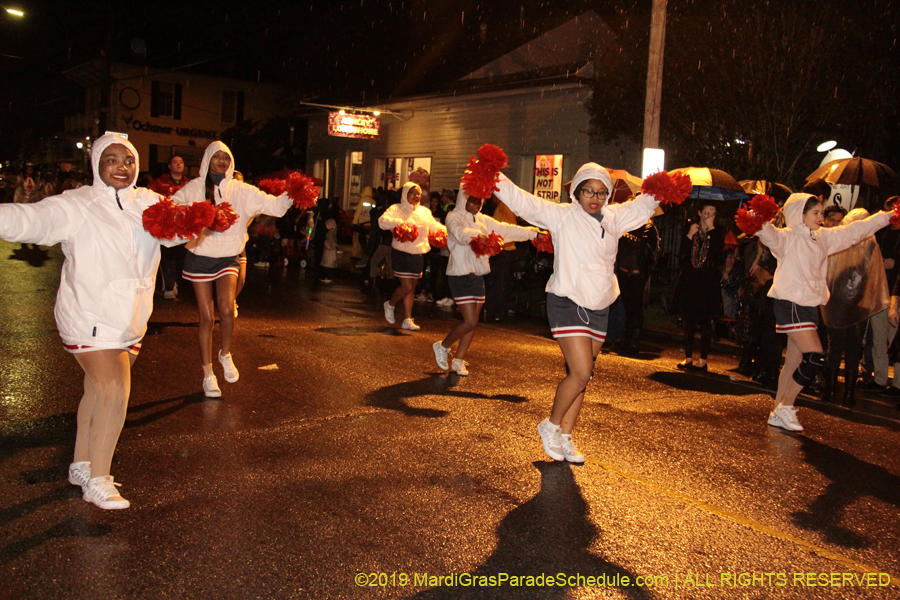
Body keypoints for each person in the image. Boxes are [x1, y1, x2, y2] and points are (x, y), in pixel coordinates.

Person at [0, 133, 184, 509]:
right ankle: (99, 479)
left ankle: (81, 464)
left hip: (130, 318)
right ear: (98, 164)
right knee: (114, 390)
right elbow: (29, 219)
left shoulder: (148, 203)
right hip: (89, 315)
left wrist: (204, 220)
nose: (121, 167)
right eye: (111, 159)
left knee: (96, 392)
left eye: (128, 160)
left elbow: (177, 233)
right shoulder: (78, 204)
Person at [494, 163, 660, 462]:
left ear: (608, 194)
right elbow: (523, 201)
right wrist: (494, 177)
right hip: (567, 301)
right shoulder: (562, 215)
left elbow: (643, 205)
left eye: (601, 192)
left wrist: (662, 188)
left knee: (582, 376)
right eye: (588, 191)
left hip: (600, 304)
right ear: (577, 191)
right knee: (581, 372)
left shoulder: (615, 217)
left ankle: (566, 436)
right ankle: (550, 425)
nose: (594, 198)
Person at [745, 193, 891, 432]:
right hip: (791, 303)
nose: (820, 217)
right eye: (815, 213)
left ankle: (777, 410)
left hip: (809, 306)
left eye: (821, 213)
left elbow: (855, 231)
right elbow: (767, 232)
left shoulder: (823, 237)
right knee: (814, 356)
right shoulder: (787, 237)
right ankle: (786, 407)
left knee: (793, 362)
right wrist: (757, 217)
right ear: (800, 215)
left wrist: (887, 216)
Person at [172, 142, 293, 398]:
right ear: (207, 159)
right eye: (216, 156)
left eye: (225, 157)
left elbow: (275, 206)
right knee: (206, 319)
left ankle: (225, 353)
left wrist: (294, 194)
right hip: (199, 257)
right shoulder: (194, 187)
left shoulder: (242, 190)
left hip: (228, 257)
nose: (221, 160)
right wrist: (191, 218)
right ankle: (208, 375)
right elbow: (172, 209)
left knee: (227, 309)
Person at [432, 190, 539, 376]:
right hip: (460, 275)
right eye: (472, 200)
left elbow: (506, 229)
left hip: (478, 275)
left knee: (473, 322)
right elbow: (460, 233)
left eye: (479, 201)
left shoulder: (482, 219)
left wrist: (534, 234)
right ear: (463, 199)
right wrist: (477, 236)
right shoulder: (453, 217)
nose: (477, 205)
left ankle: (458, 360)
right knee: (470, 321)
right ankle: (442, 346)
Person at [819, 208, 889, 405]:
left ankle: (831, 391)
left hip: (837, 304)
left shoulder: (842, 240)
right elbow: (873, 279)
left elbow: (829, 273)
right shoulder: (871, 245)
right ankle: (849, 394)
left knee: (835, 347)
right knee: (853, 349)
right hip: (860, 306)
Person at [377, 182, 446, 331]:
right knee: (407, 286)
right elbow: (382, 222)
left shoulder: (425, 211)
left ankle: (407, 319)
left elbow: (433, 225)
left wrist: (441, 230)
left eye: (418, 193)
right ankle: (390, 304)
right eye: (412, 193)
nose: (416, 196)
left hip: (419, 253)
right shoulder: (396, 208)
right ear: (405, 194)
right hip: (402, 252)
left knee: (412, 287)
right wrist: (399, 223)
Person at [673, 201, 724, 372]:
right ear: (700, 213)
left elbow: (717, 253)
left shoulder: (716, 233)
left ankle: (703, 359)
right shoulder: (692, 230)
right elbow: (682, 255)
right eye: (707, 212)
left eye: (713, 213)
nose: (709, 216)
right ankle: (688, 357)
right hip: (691, 281)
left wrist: (711, 230)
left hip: (707, 283)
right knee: (689, 321)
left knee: (705, 322)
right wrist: (689, 236)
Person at [149, 156, 191, 300]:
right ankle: (168, 286)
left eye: (181, 162)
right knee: (167, 254)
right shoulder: (160, 182)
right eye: (175, 162)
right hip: (167, 224)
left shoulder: (189, 183)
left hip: (184, 225)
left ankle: (174, 282)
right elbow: (149, 196)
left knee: (182, 256)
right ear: (169, 166)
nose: (179, 164)